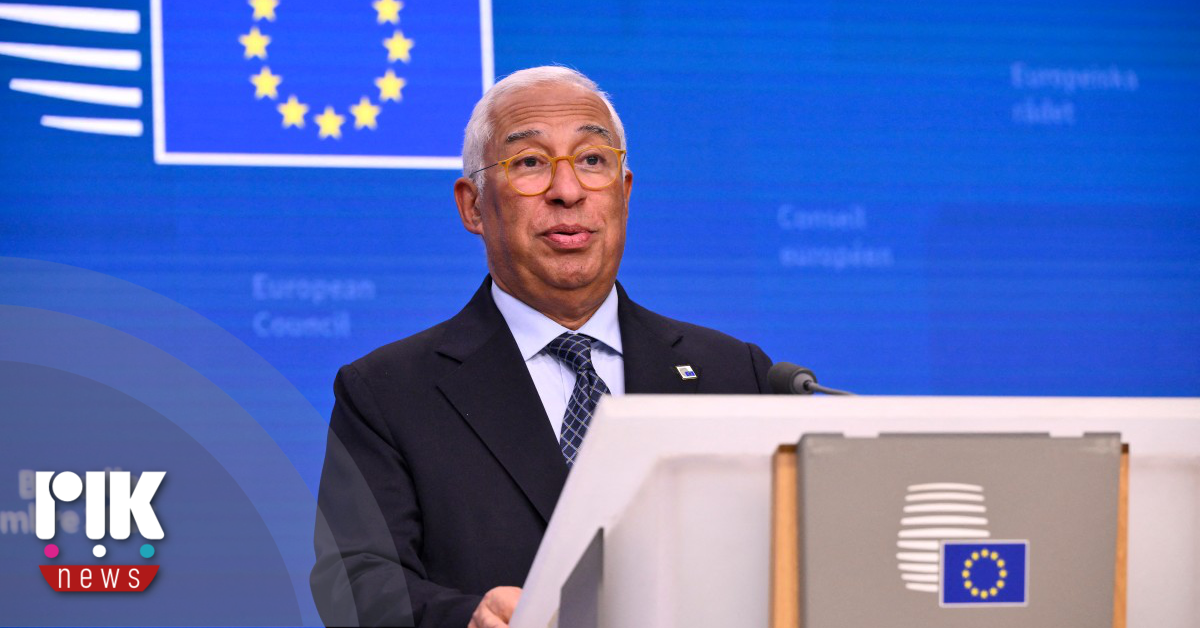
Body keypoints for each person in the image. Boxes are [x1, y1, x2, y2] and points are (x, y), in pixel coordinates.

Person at [310, 66, 773, 628]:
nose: (568, 191)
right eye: (529, 163)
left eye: (592, 160)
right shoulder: (388, 392)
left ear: (624, 193)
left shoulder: (734, 374)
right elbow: (356, 580)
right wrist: (467, 617)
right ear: (473, 206)